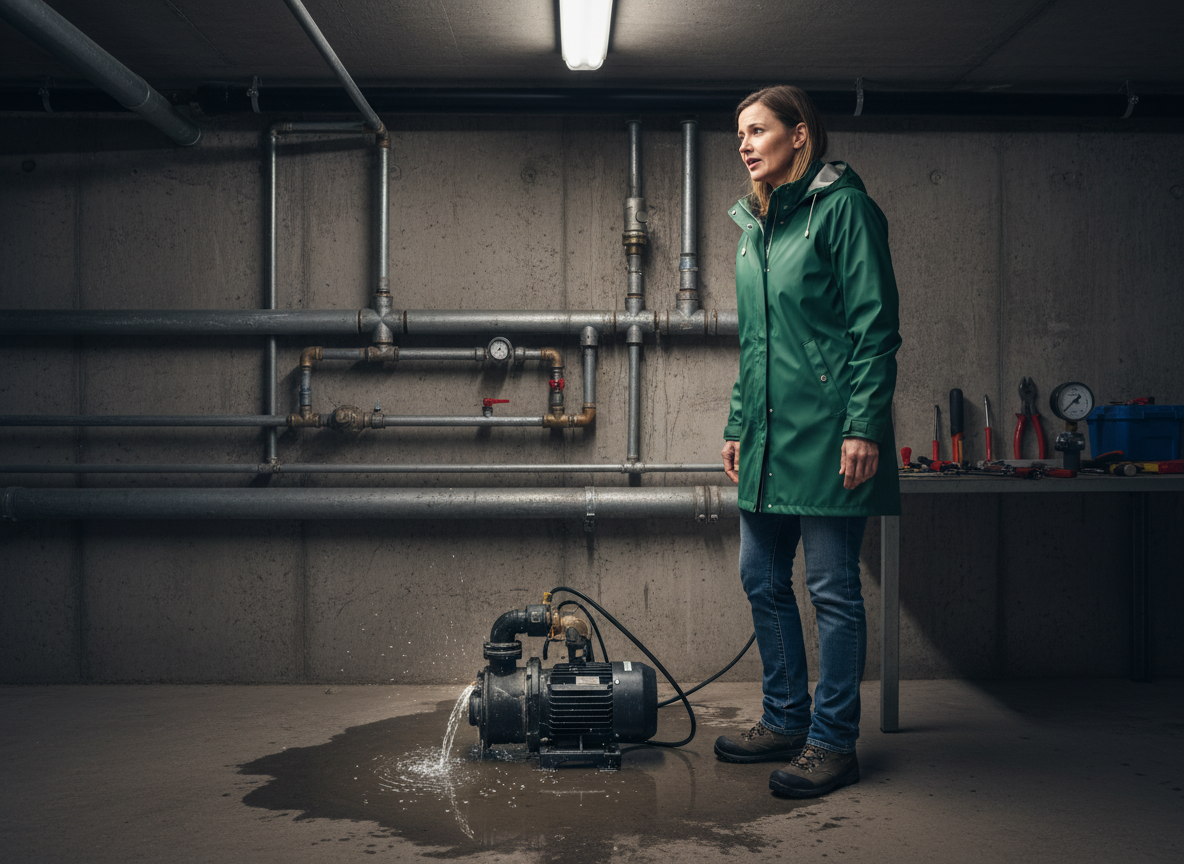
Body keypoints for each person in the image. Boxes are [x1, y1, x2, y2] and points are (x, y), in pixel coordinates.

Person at [713, 85, 902, 799]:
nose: (745, 144)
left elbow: (874, 329)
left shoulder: (845, 210)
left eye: (758, 130)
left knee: (831, 590)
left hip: (829, 436)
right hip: (768, 437)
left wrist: (863, 425)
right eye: (739, 134)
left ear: (800, 135)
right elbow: (755, 345)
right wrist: (738, 423)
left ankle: (832, 743)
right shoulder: (756, 229)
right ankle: (787, 718)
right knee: (761, 578)